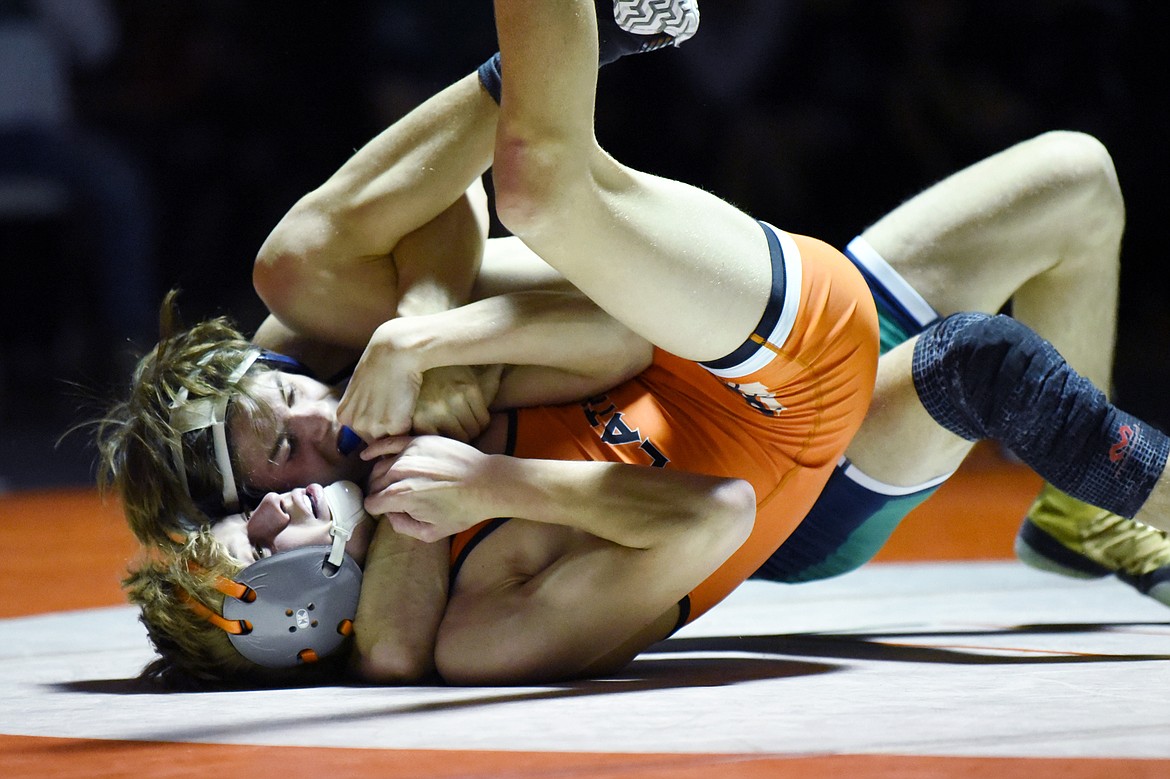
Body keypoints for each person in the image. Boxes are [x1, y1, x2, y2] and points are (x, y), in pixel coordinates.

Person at [100, 2, 1170, 686]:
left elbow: (465, 227)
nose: (302, 420)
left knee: (1078, 179)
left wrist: (420, 328)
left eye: (271, 388)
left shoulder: (329, 380)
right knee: (544, 189)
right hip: (772, 430)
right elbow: (682, 455)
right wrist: (490, 475)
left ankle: (1085, 517)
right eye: (275, 470)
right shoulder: (437, 578)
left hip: (722, 362)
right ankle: (577, 44)